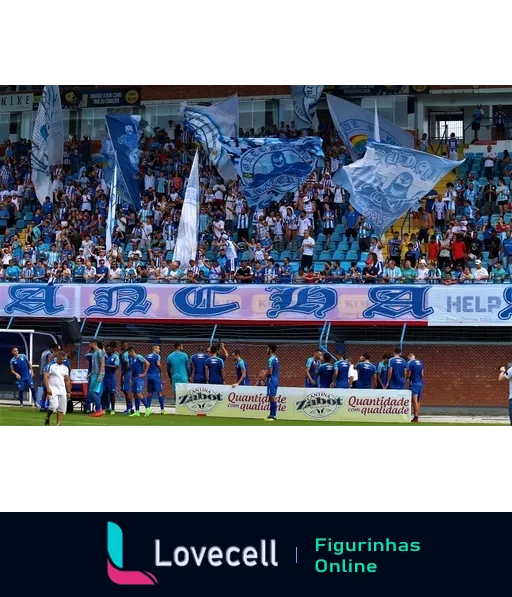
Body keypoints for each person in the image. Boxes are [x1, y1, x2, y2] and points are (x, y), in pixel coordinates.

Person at [43, 351, 71, 428]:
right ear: (57, 357)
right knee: (53, 406)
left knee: (61, 408)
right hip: (53, 389)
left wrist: (68, 391)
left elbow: (67, 379)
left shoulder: (65, 367)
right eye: (61, 359)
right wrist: (48, 388)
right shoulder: (50, 366)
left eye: (64, 359)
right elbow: (45, 377)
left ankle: (58, 425)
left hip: (62, 389)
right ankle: (47, 417)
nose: (62, 361)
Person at [128, 347, 149, 418]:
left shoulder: (139, 357)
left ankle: (148, 408)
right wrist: (130, 378)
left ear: (131, 351)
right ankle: (137, 411)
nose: (128, 354)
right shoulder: (131, 359)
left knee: (139, 394)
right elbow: (132, 369)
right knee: (135, 395)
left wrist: (144, 373)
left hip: (139, 378)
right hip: (133, 378)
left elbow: (147, 363)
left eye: (129, 353)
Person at [88, 339, 106, 418]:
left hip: (98, 374)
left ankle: (99, 410)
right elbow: (95, 366)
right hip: (94, 374)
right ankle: (98, 410)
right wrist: (90, 374)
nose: (89, 345)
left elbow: (103, 363)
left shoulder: (100, 352)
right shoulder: (94, 353)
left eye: (89, 344)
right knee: (96, 392)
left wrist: (100, 374)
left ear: (93, 344)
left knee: (92, 391)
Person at [146, 344, 165, 415]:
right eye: (158, 349)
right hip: (156, 376)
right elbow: (158, 364)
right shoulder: (157, 356)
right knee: (160, 392)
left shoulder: (147, 356)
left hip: (149, 376)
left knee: (150, 393)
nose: (159, 351)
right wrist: (161, 371)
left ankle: (147, 409)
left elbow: (146, 365)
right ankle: (162, 410)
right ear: (155, 349)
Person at [407, 353, 425, 424]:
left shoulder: (410, 362)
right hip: (420, 383)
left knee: (414, 401)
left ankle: (416, 418)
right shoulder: (420, 363)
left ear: (409, 357)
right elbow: (422, 374)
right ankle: (416, 417)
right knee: (418, 401)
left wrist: (408, 379)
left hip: (414, 383)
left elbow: (409, 374)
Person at [103, 343, 120, 415]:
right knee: (103, 393)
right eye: (106, 350)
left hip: (111, 378)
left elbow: (117, 366)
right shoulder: (104, 357)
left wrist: (106, 365)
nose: (107, 351)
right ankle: (104, 408)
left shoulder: (115, 356)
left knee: (112, 394)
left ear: (112, 350)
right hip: (104, 378)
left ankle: (113, 409)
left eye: (109, 350)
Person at [265, 344, 280, 421]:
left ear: (270, 349)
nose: (266, 350)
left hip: (271, 380)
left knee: (272, 397)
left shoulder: (271, 359)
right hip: (275, 379)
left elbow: (270, 372)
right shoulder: (276, 358)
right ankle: (271, 415)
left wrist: (264, 374)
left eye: (267, 348)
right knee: (271, 397)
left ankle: (273, 415)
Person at [119, 341, 132, 414]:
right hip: (128, 373)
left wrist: (123, 374)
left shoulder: (126, 354)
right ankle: (128, 408)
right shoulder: (126, 354)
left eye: (122, 345)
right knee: (126, 391)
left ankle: (129, 409)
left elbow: (127, 365)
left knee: (127, 391)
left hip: (126, 373)